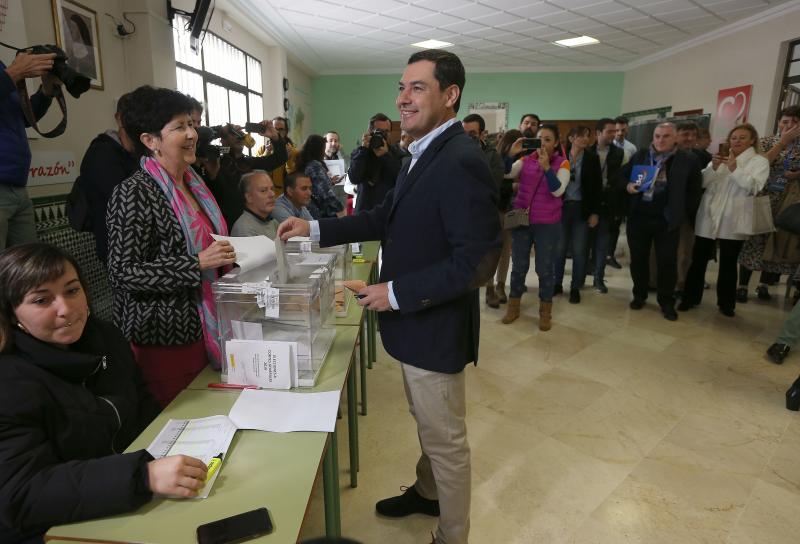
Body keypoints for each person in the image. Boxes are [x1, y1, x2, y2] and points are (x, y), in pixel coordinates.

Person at [278, 49, 500, 544]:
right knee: (427, 423)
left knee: (445, 440)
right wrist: (313, 228)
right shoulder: (422, 152)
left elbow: (477, 263)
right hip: (416, 325)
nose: (403, 98)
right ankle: (426, 492)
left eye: (417, 87)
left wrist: (394, 292)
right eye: (401, 88)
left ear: (450, 95)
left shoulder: (460, 160)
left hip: (433, 326)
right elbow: (384, 218)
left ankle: (453, 534)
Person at [0, 243, 208, 542]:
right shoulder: (9, 381)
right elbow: (20, 495)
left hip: (126, 503)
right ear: (12, 314)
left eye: (72, 290)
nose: (66, 308)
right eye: (42, 300)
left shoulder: (107, 338)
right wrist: (142, 476)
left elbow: (142, 405)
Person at [106, 86, 236, 407]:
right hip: (165, 337)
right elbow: (123, 273)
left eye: (190, 124)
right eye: (179, 127)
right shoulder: (134, 192)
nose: (191, 133)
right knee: (184, 421)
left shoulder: (195, 183)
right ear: (150, 141)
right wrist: (196, 264)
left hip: (209, 324)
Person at [680, 124, 769, 317]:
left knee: (728, 263)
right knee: (698, 261)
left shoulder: (759, 161)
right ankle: (690, 298)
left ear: (752, 140)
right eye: (734, 137)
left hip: (733, 218)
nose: (736, 141)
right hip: (709, 216)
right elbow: (702, 182)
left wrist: (735, 168)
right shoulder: (720, 158)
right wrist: (714, 167)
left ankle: (726, 304)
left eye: (742, 138)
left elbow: (753, 187)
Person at [621, 122, 702, 321]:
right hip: (639, 217)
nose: (660, 140)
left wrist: (680, 213)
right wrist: (628, 186)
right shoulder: (641, 155)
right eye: (657, 136)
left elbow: (694, 191)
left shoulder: (687, 160)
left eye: (666, 136)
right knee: (638, 259)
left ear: (675, 138)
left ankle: (666, 301)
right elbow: (621, 177)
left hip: (666, 220)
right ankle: (639, 295)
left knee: (667, 262)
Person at [502, 124, 570, 329]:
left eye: (548, 139)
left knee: (544, 268)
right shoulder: (525, 160)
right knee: (519, 266)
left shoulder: (562, 163)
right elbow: (506, 173)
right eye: (540, 138)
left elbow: (558, 191)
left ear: (557, 142)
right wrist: (509, 154)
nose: (543, 143)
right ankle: (513, 308)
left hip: (547, 224)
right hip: (522, 220)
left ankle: (545, 312)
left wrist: (547, 167)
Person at [737, 105, 800, 302]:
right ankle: (742, 285)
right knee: (753, 242)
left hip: (788, 202)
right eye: (784, 122)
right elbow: (759, 164)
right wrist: (782, 143)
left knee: (776, 243)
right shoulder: (766, 141)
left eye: (794, 122)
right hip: (763, 198)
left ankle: (763, 284)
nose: (788, 125)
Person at [0, 50, 61, 250]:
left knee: (27, 270)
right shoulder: (6, 73)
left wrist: (46, 90)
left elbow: (24, 117)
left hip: (17, 186)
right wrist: (14, 73)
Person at [79, 91, 139, 261]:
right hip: (119, 251)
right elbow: (123, 203)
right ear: (119, 118)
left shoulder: (137, 154)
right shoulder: (102, 153)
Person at [206, 121, 288, 228]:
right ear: (222, 139)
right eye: (233, 133)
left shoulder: (250, 163)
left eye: (241, 134)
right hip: (225, 227)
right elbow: (197, 141)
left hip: (252, 225)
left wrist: (275, 137)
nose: (238, 136)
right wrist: (220, 130)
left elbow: (280, 158)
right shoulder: (214, 164)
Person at [555, 126, 601, 303]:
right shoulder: (560, 157)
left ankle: (575, 287)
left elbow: (597, 188)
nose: (585, 139)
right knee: (559, 250)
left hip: (582, 208)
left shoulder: (591, 158)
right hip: (562, 207)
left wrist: (595, 212)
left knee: (580, 251)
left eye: (587, 136)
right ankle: (557, 284)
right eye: (581, 136)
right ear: (572, 138)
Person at [463, 113, 505, 307]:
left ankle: (490, 290)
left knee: (487, 255)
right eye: (464, 134)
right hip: (463, 214)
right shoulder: (456, 152)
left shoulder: (492, 155)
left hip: (485, 214)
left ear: (482, 134)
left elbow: (494, 185)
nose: (468, 138)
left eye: (472, 134)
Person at [588, 118, 627, 293]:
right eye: (610, 131)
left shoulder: (619, 153)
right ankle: (580, 277)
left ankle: (598, 278)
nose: (614, 134)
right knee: (583, 245)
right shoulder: (587, 151)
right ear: (598, 133)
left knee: (602, 244)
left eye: (615, 131)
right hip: (588, 204)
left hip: (608, 205)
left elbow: (622, 179)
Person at [348, 113, 403, 212]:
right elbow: (354, 178)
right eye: (379, 131)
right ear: (370, 132)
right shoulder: (360, 152)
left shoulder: (396, 153)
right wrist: (364, 149)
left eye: (387, 131)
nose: (383, 135)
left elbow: (401, 179)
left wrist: (385, 156)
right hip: (364, 211)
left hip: (387, 211)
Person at [493, 129, 523, 305]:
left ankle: (501, 285)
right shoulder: (496, 157)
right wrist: (511, 188)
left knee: (506, 251)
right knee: (491, 250)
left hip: (517, 209)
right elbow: (496, 179)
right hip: (496, 208)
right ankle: (489, 287)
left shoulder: (527, 157)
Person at [297, 134, 344, 219]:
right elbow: (325, 192)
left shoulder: (304, 163)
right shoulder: (315, 165)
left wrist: (330, 182)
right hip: (318, 211)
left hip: (307, 209)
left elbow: (314, 184)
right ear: (318, 149)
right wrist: (340, 208)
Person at [230, 170, 278, 239]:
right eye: (263, 190)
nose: (272, 194)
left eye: (272, 189)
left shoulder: (273, 221)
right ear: (249, 197)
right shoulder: (244, 228)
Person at [268, 116, 298, 196]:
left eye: (281, 129)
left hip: (286, 196)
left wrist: (288, 158)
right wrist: (267, 153)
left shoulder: (293, 151)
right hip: (267, 194)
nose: (277, 132)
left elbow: (294, 176)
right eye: (275, 129)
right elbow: (259, 172)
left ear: (286, 131)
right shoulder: (263, 149)